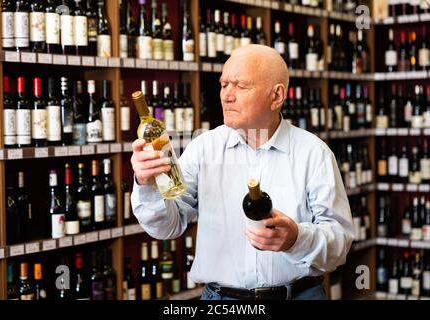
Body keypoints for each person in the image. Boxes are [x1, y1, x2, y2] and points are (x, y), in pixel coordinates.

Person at [131, 44, 354, 300]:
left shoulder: (314, 153)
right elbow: (167, 227)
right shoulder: (203, 149)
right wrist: (146, 184)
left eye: (240, 85)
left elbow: (340, 244)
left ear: (276, 96)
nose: (227, 95)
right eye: (224, 84)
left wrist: (296, 239)